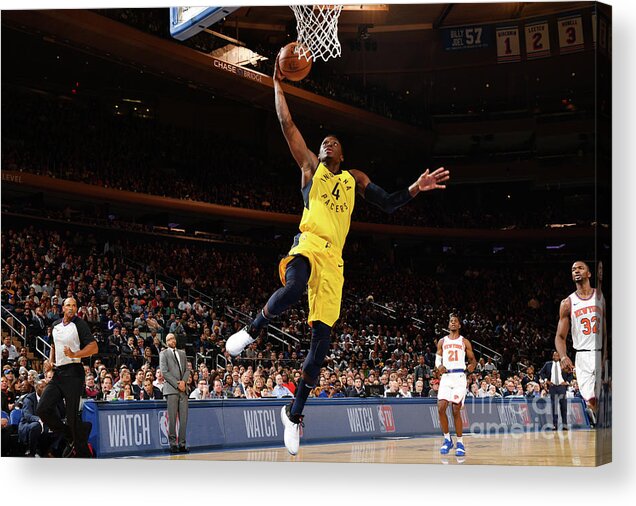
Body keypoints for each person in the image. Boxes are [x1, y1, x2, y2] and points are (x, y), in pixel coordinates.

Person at [225, 52, 450, 456]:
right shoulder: (312, 168)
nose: (326, 143)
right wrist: (277, 85)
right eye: (323, 141)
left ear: (342, 154)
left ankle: (293, 415)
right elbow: (287, 124)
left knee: (320, 347)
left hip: (336, 262)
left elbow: (389, 202)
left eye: (333, 142)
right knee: (294, 287)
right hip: (307, 244)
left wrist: (416, 187)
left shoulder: (353, 178)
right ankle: (253, 329)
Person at [36, 297, 97, 458]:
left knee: (71, 418)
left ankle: (84, 454)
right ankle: (70, 436)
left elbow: (94, 347)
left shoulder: (80, 324)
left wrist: (75, 354)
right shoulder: (55, 325)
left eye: (74, 305)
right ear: (62, 308)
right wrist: (50, 361)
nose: (71, 308)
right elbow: (54, 345)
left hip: (75, 373)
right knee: (42, 408)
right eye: (68, 305)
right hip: (59, 373)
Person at [554, 260, 607, 426]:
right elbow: (560, 337)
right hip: (582, 355)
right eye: (573, 269)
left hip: (600, 351)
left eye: (580, 268)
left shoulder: (601, 297)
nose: (576, 271)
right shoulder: (567, 303)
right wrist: (563, 357)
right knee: (591, 400)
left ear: (589, 274)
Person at [436, 314, 476, 457]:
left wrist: (472, 366)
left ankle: (460, 442)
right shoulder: (442, 341)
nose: (453, 323)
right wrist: (439, 366)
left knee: (455, 409)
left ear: (459, 325)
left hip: (459, 377)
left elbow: (473, 360)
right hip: (446, 377)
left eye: (455, 321)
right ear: (448, 325)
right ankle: (447, 439)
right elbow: (437, 359)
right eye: (450, 321)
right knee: (441, 408)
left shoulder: (464, 342)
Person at [160, 333, 190, 453]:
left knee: (183, 419)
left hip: (183, 390)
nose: (172, 340)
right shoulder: (163, 354)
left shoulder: (182, 353)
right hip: (171, 389)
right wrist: (177, 384)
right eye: (169, 339)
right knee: (172, 419)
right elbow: (164, 372)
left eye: (173, 338)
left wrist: (183, 382)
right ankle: (172, 444)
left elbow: (187, 370)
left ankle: (182, 444)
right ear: (166, 342)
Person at [539, 351, 573, 430]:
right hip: (552, 387)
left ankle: (565, 425)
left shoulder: (563, 364)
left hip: (561, 387)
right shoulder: (548, 364)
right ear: (552, 356)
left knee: (563, 406)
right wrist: (546, 380)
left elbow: (570, 374)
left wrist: (567, 382)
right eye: (555, 355)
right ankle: (555, 424)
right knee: (554, 406)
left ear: (559, 357)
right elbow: (541, 373)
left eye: (557, 355)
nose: (556, 357)